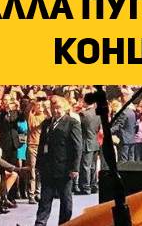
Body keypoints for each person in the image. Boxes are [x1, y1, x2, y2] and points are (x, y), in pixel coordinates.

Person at [34, 96, 81, 226]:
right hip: (47, 168)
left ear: (65, 108)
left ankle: (65, 223)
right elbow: (41, 145)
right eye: (53, 108)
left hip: (64, 168)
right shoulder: (47, 123)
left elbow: (77, 146)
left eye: (58, 107)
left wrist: (75, 168)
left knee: (65, 200)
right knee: (44, 199)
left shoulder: (72, 123)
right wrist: (38, 164)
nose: (55, 110)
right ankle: (40, 223)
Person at [77, 103, 100, 195]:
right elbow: (98, 128)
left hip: (86, 142)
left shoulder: (83, 114)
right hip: (95, 141)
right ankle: (93, 185)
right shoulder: (98, 113)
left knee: (85, 166)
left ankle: (86, 187)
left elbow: (79, 128)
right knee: (93, 166)